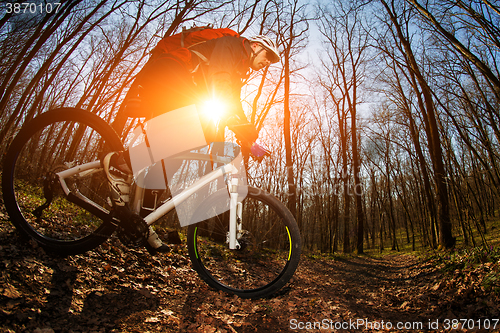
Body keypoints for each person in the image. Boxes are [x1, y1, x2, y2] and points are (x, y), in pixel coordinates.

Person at [102, 32, 280, 254]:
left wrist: (247, 138)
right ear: (254, 46)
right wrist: (242, 129)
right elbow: (221, 83)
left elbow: (232, 100)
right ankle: (121, 164)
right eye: (267, 56)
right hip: (171, 71)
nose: (266, 63)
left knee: (178, 155)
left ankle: (142, 220)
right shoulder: (231, 46)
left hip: (183, 84)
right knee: (187, 129)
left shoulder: (239, 68)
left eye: (271, 62)